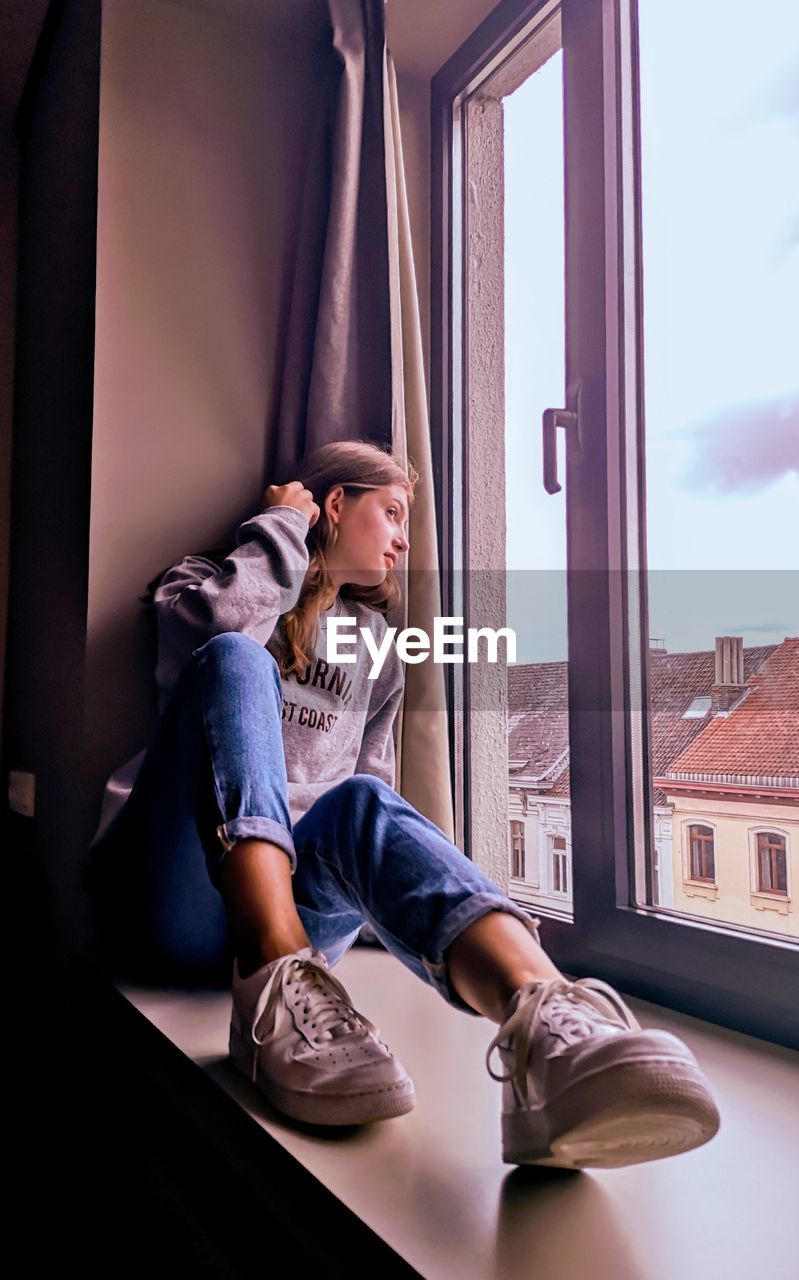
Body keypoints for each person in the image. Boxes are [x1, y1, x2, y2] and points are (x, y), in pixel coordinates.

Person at [88, 439, 721, 1170]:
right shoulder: (204, 582)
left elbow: (370, 792)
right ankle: (273, 974)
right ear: (333, 506)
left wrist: (423, 917)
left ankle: (548, 1029)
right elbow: (220, 628)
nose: (401, 540)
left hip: (305, 915)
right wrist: (284, 529)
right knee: (237, 658)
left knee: (363, 798)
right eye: (390, 513)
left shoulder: (380, 650)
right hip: (178, 896)